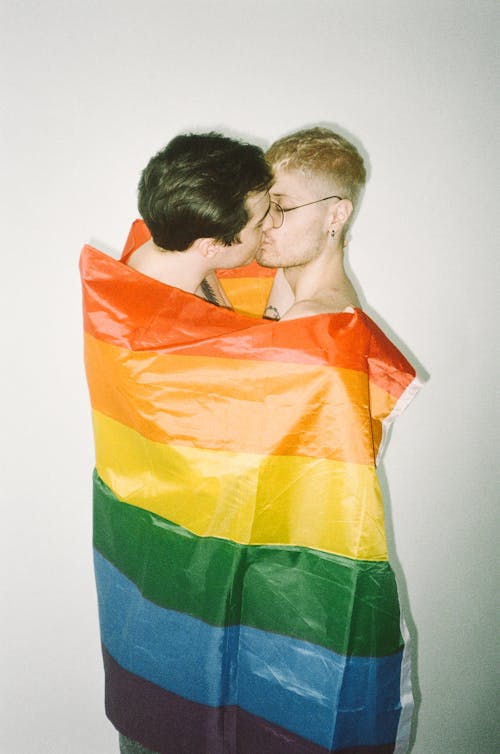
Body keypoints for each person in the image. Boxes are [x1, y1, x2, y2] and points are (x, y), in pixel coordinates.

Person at [126, 132, 273, 306]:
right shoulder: (168, 322)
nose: (271, 224)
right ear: (210, 247)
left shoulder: (186, 235)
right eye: (260, 224)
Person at [258, 126, 365, 320]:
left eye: (284, 208)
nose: (264, 224)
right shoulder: (298, 288)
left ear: (337, 216)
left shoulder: (308, 318)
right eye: (264, 207)